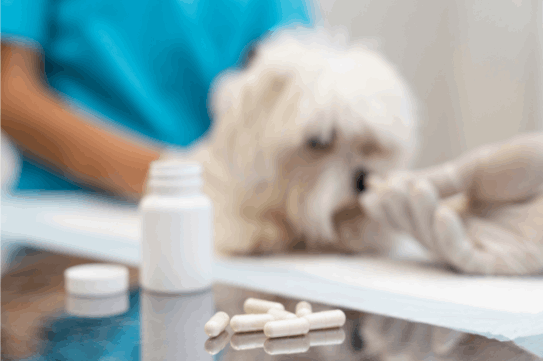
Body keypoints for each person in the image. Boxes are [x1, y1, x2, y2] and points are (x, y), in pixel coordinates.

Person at [1, 0, 316, 200]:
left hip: (214, 220)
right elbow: (10, 93)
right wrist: (178, 179)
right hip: (68, 211)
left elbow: (299, 85)